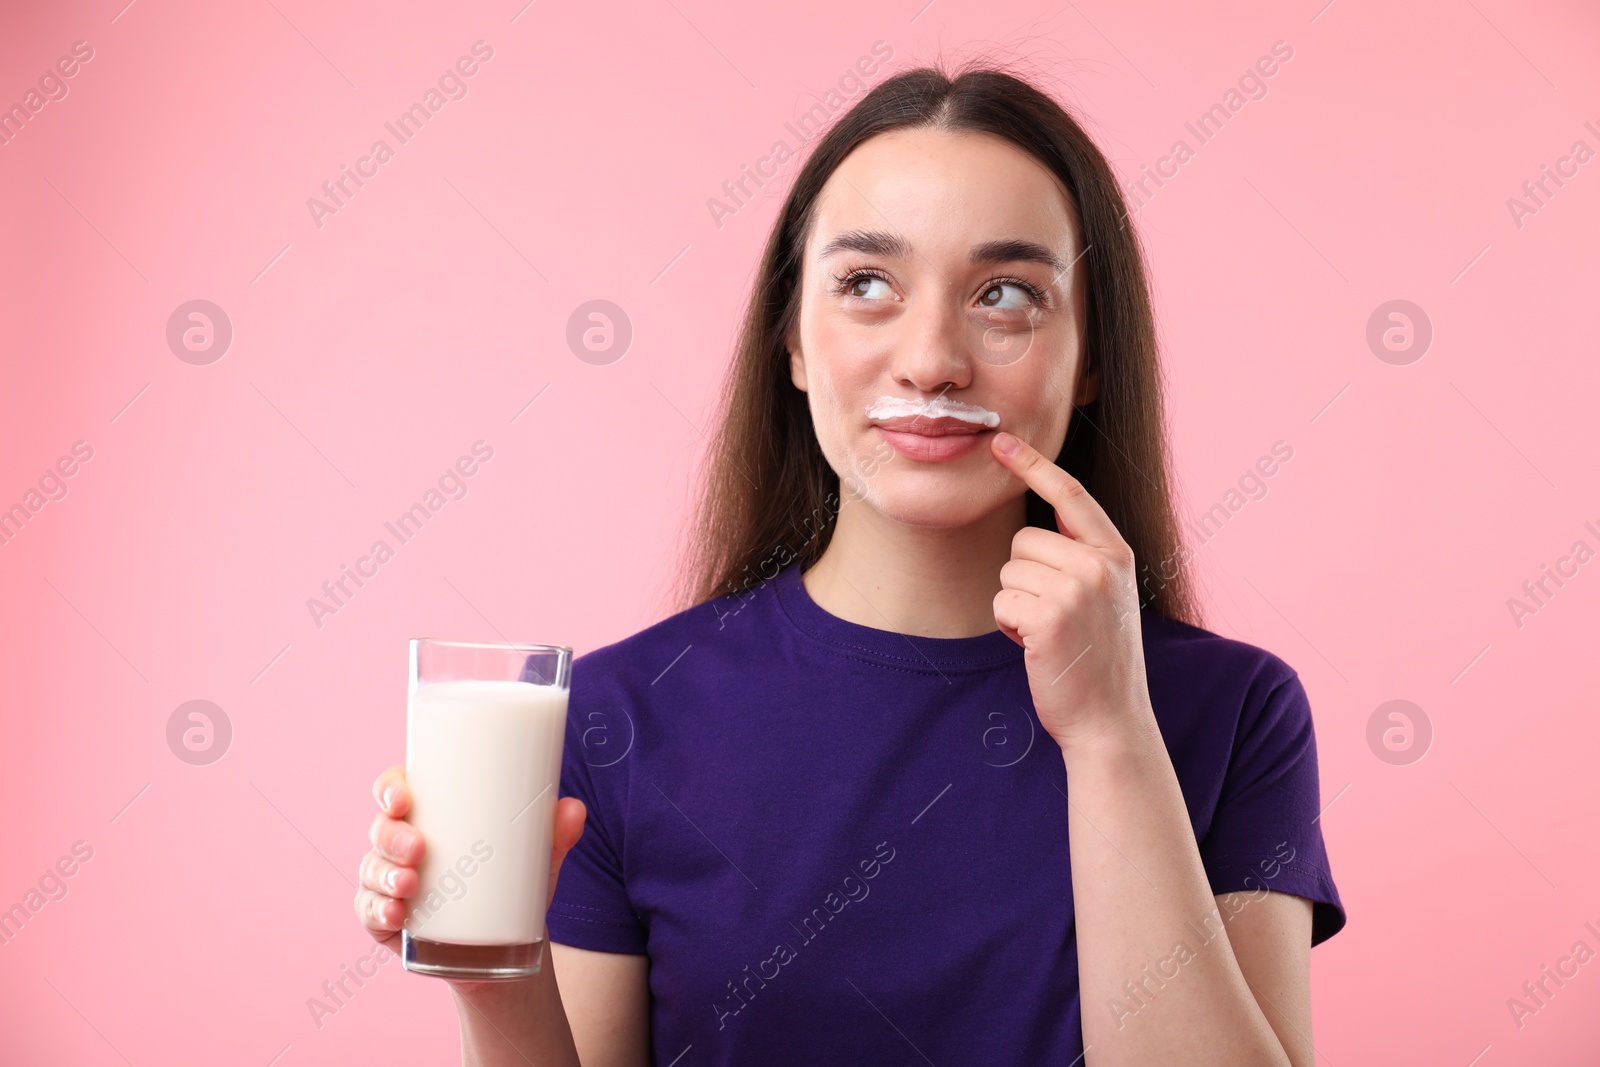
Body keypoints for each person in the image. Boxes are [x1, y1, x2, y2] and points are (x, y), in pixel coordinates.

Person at [356, 59, 1345, 1066]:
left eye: (1004, 294)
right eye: (867, 283)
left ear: (1090, 358)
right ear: (791, 337)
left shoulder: (1233, 711)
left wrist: (1108, 733)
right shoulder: (616, 713)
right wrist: (489, 981)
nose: (930, 358)